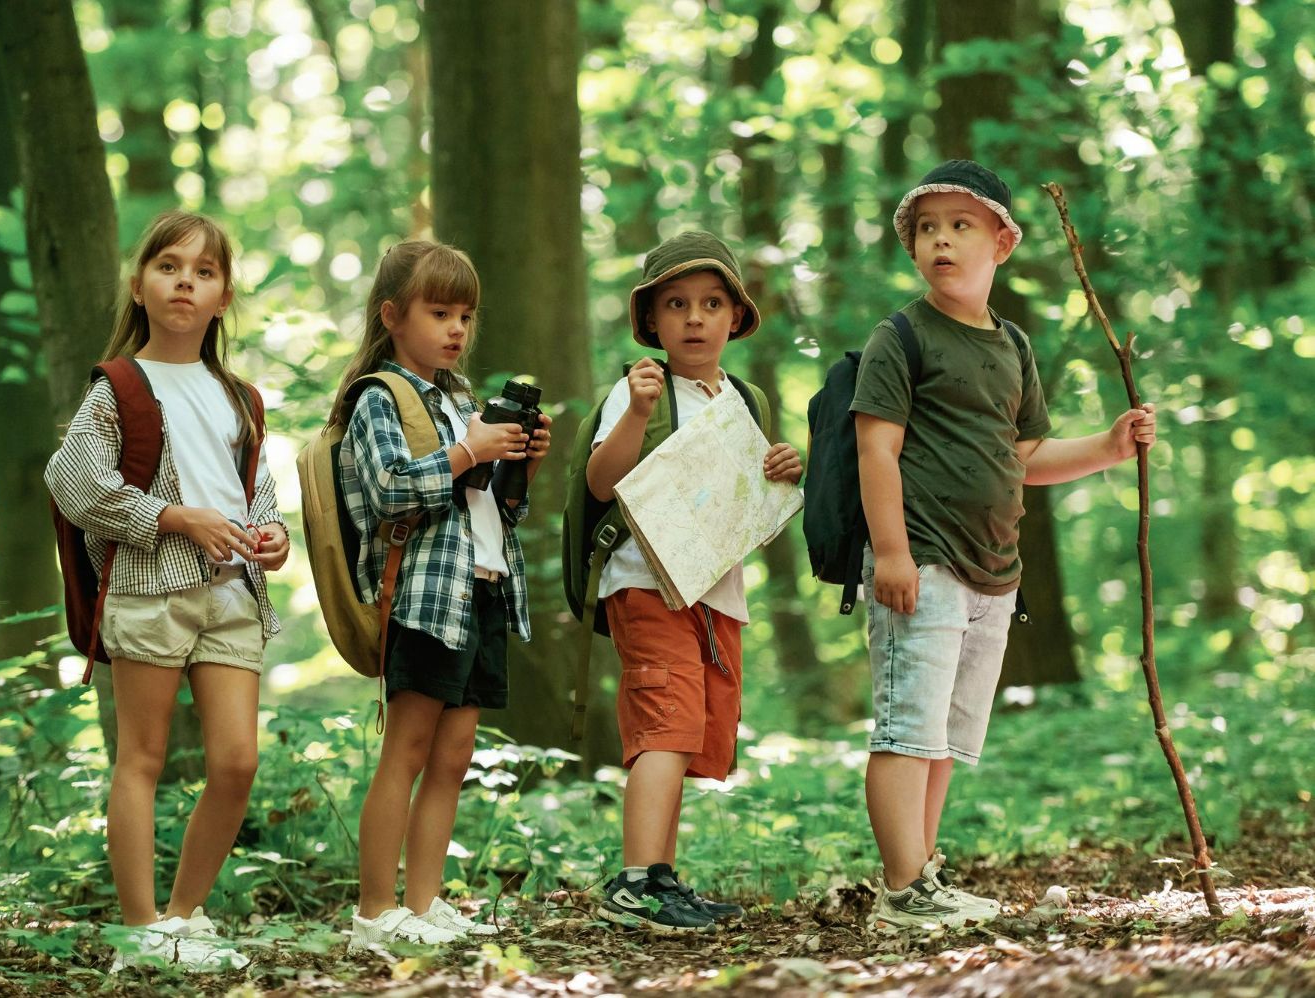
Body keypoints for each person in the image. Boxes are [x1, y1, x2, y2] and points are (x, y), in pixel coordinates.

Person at [854, 160, 1158, 929]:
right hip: (923, 559)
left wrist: (1109, 446)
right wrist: (891, 552)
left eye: (961, 225)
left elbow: (1024, 459)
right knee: (905, 728)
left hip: (994, 574)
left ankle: (923, 873)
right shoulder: (900, 338)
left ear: (1003, 242)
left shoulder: (1011, 346)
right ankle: (901, 890)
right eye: (927, 228)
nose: (941, 241)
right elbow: (877, 451)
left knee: (944, 740)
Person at [45, 210, 289, 972]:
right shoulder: (119, 386)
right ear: (140, 284)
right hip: (151, 589)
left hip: (231, 596)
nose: (187, 280)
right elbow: (72, 481)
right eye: (170, 266)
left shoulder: (240, 395)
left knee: (237, 761)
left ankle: (184, 918)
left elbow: (257, 487)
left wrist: (271, 534)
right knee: (142, 758)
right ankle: (141, 929)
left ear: (224, 297)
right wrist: (172, 516)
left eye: (205, 271)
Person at [332, 241, 551, 952]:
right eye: (439, 312)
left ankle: (423, 905)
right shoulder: (378, 397)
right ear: (392, 316)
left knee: (454, 756)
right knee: (408, 748)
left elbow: (488, 509)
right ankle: (374, 911)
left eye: (466, 315)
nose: (457, 329)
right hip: (424, 597)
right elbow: (390, 490)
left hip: (482, 589)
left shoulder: (460, 399)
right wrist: (467, 452)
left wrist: (516, 464)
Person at [588, 231, 803, 934]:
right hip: (646, 582)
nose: (694, 318)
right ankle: (633, 882)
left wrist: (783, 470)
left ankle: (660, 878)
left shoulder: (745, 397)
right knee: (666, 724)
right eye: (675, 304)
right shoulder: (638, 385)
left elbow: (747, 498)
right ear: (650, 319)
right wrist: (640, 413)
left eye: (712, 303)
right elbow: (600, 481)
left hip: (713, 589)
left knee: (691, 731)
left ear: (736, 318)